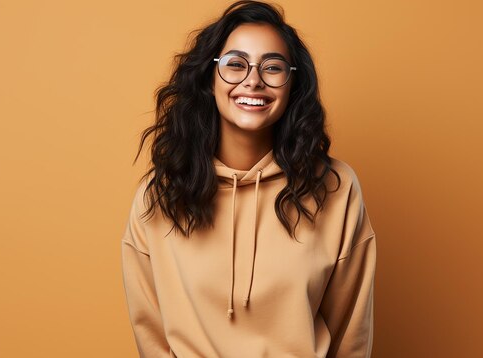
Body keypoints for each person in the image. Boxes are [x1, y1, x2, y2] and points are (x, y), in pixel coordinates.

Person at [121, 1, 376, 357]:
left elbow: (351, 335)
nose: (253, 80)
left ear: (292, 85)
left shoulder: (335, 188)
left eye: (272, 67)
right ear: (209, 80)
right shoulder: (159, 195)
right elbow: (151, 334)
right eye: (235, 65)